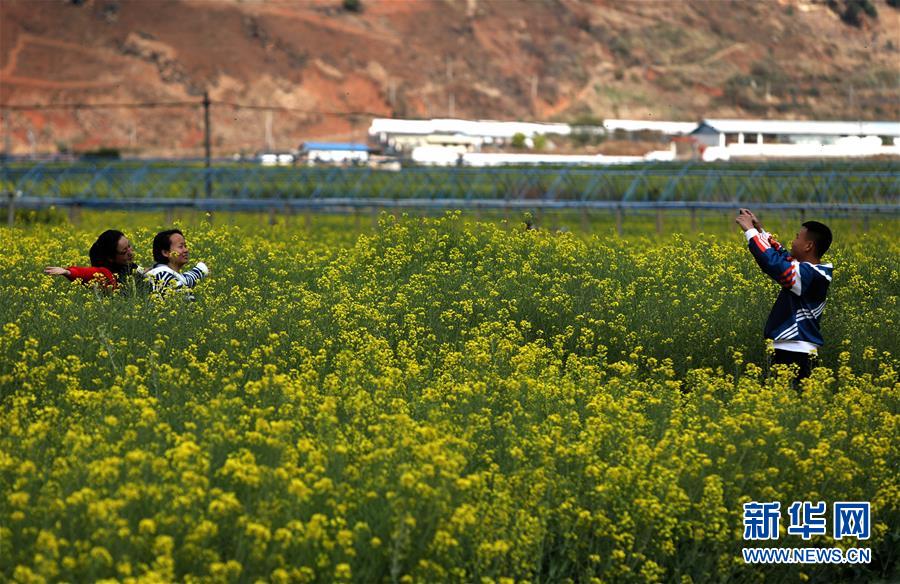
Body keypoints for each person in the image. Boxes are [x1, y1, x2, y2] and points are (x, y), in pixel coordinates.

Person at [735, 208, 833, 381]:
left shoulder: (810, 276)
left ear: (809, 246)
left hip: (796, 353)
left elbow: (774, 263)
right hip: (791, 349)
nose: (793, 242)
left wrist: (750, 232)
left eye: (797, 237)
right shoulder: (808, 271)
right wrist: (759, 230)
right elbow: (782, 256)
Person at [44, 229, 143, 291]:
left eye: (129, 246)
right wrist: (68, 272)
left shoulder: (130, 267)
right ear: (110, 258)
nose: (130, 252)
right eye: (124, 251)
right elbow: (87, 273)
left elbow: (144, 272)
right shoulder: (106, 275)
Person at [145, 229, 209, 300]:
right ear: (165, 253)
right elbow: (186, 304)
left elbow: (187, 279)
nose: (186, 250)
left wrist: (201, 269)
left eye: (185, 246)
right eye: (180, 247)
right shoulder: (163, 275)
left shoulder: (171, 275)